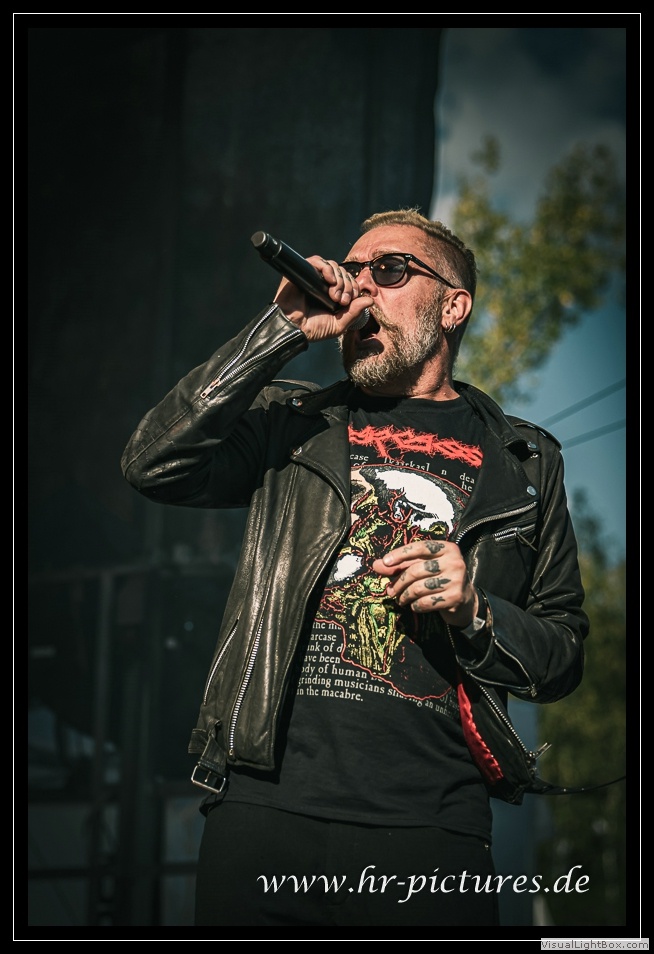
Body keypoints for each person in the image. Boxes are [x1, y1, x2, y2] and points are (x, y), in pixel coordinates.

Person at [121, 208, 588, 927]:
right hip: (265, 813)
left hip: (434, 829)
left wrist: (477, 611)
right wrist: (278, 330)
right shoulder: (292, 422)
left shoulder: (525, 462)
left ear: (453, 307)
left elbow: (562, 654)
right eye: (353, 270)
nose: (362, 286)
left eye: (390, 270)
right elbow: (153, 463)